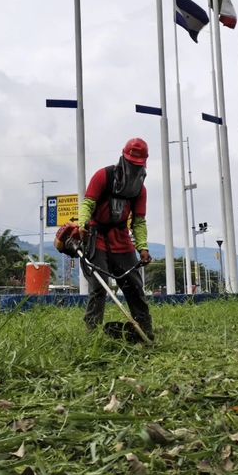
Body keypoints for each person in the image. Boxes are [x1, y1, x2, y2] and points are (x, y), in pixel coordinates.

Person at [76, 137, 154, 340]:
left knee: (134, 285)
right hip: (97, 236)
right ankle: (92, 334)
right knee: (99, 285)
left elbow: (138, 221)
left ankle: (145, 331)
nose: (135, 169)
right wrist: (82, 225)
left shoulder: (140, 190)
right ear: (124, 158)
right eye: (132, 164)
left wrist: (143, 248)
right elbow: (88, 204)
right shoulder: (103, 176)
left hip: (121, 238)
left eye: (138, 165)